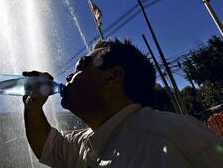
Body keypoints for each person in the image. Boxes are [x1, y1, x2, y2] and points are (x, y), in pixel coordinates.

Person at [22, 38, 223, 168]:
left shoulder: (176, 135)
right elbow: (48, 147)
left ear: (113, 77)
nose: (68, 76)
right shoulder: (86, 144)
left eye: (80, 67)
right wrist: (33, 107)